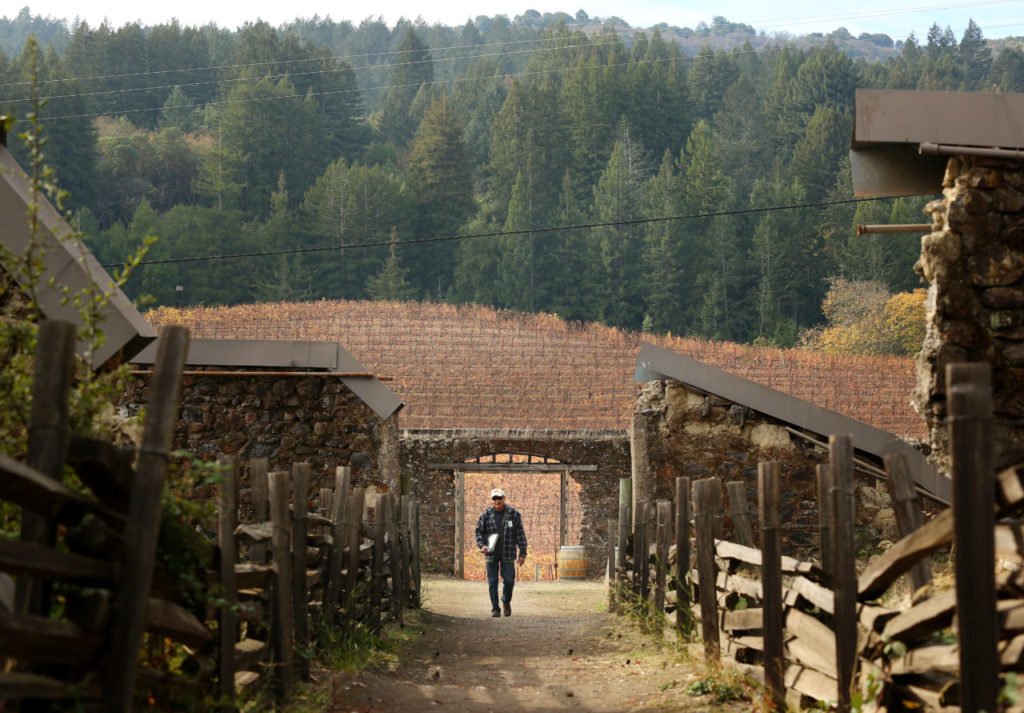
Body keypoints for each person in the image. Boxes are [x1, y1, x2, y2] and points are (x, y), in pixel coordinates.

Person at [474, 487, 527, 617]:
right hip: (491, 554)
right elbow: (479, 533)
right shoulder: (485, 515)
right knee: (492, 582)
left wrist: (522, 553)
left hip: (508, 553)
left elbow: (520, 534)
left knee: (509, 580)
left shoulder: (514, 514)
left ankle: (506, 601)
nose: (497, 501)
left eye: (499, 498)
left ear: (504, 498)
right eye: (494, 498)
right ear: (492, 500)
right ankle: (495, 608)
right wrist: (482, 546)